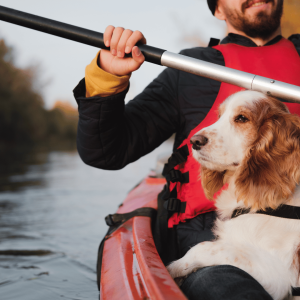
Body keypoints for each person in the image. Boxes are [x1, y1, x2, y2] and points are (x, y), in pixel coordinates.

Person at [73, 0, 300, 299]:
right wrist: (107, 77)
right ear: (217, 9)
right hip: (207, 237)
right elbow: (106, 150)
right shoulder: (190, 69)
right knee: (222, 288)